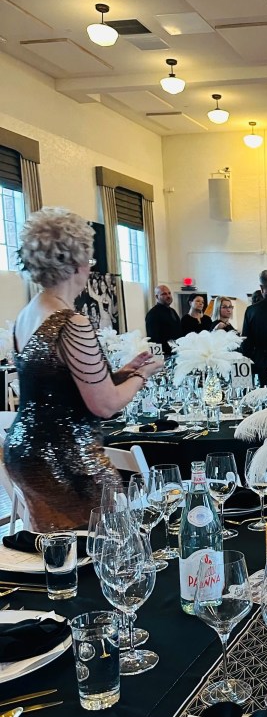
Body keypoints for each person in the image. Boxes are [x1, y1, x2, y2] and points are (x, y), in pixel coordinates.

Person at [3, 207, 163, 530]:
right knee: (104, 544)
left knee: (56, 550)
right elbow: (104, 404)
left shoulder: (26, 315)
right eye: (89, 261)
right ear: (77, 264)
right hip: (65, 457)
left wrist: (123, 372)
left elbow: (58, 387)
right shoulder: (70, 322)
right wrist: (143, 376)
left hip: (25, 450)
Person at [145, 284, 181, 356]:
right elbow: (153, 339)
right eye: (164, 294)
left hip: (176, 351)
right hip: (164, 354)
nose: (168, 296)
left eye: (169, 293)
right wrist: (157, 358)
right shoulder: (153, 314)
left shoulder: (172, 311)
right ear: (157, 297)